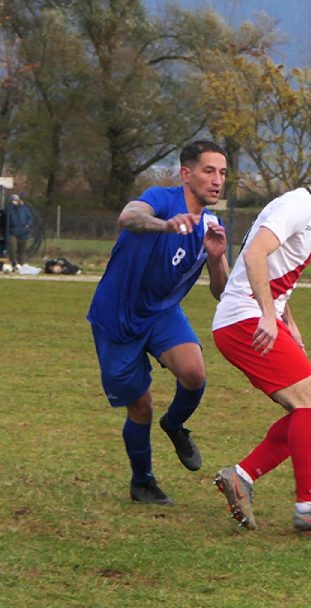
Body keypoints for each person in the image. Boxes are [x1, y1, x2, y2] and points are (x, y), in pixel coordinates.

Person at [212, 145, 311, 534]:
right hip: (245, 320)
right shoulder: (297, 207)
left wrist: (287, 318)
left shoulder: (308, 212)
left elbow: (277, 270)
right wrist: (269, 315)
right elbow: (254, 254)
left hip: (257, 317)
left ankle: (241, 477)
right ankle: (309, 505)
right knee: (309, 405)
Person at [87, 140, 229, 505]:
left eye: (223, 173)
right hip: (117, 317)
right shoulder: (161, 200)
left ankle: (175, 424)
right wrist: (164, 225)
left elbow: (221, 292)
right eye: (208, 170)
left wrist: (216, 258)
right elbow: (128, 217)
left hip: (162, 313)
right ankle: (142, 482)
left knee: (195, 374)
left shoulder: (213, 224)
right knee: (141, 406)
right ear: (186, 173)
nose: (217, 180)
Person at [5, 194, 33, 267]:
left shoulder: (24, 208)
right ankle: (13, 263)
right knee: (12, 248)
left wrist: (28, 224)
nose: (17, 201)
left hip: (23, 232)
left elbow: (29, 217)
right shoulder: (9, 208)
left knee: (22, 250)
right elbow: (7, 214)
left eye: (17, 200)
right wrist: (12, 205)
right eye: (14, 200)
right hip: (13, 232)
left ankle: (21, 265)